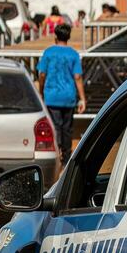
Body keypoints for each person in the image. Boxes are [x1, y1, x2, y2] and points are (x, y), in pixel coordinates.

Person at [35, 23, 85, 164]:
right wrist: (82, 99)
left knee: (55, 126)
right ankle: (67, 157)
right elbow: (77, 77)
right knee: (67, 128)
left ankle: (57, 153)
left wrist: (41, 91)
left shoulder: (48, 52)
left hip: (52, 96)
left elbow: (42, 74)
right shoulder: (73, 54)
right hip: (68, 96)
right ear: (68, 36)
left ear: (55, 36)